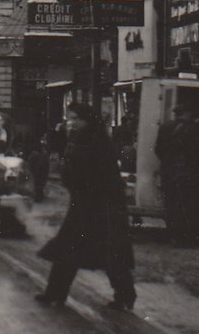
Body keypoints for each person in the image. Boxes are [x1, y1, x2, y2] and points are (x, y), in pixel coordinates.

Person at [35, 102, 135, 310]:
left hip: (100, 205)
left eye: (75, 118)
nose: (71, 123)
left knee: (108, 251)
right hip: (84, 203)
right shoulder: (81, 138)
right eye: (69, 118)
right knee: (71, 249)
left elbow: (100, 175)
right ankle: (55, 294)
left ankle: (125, 296)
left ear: (86, 119)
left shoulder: (96, 141)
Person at [154, 104, 196, 240]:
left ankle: (171, 232)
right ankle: (182, 234)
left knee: (170, 202)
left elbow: (158, 148)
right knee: (184, 202)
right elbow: (194, 151)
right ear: (186, 113)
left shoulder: (165, 127)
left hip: (168, 169)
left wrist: (167, 160)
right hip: (185, 170)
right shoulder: (191, 128)